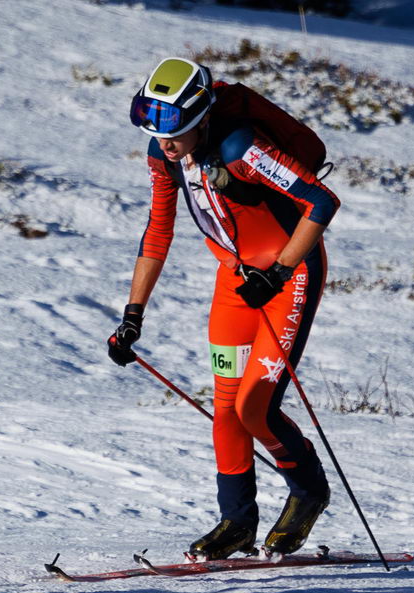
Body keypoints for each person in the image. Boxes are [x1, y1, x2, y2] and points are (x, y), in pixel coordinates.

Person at [109, 56, 340, 560]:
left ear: (203, 119)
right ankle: (236, 521)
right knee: (226, 407)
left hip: (289, 276)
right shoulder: (164, 156)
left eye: (177, 132)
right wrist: (132, 314)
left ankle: (309, 492)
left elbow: (321, 203)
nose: (165, 143)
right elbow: (158, 232)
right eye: (155, 131)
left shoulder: (243, 148)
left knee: (256, 409)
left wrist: (277, 272)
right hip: (236, 282)